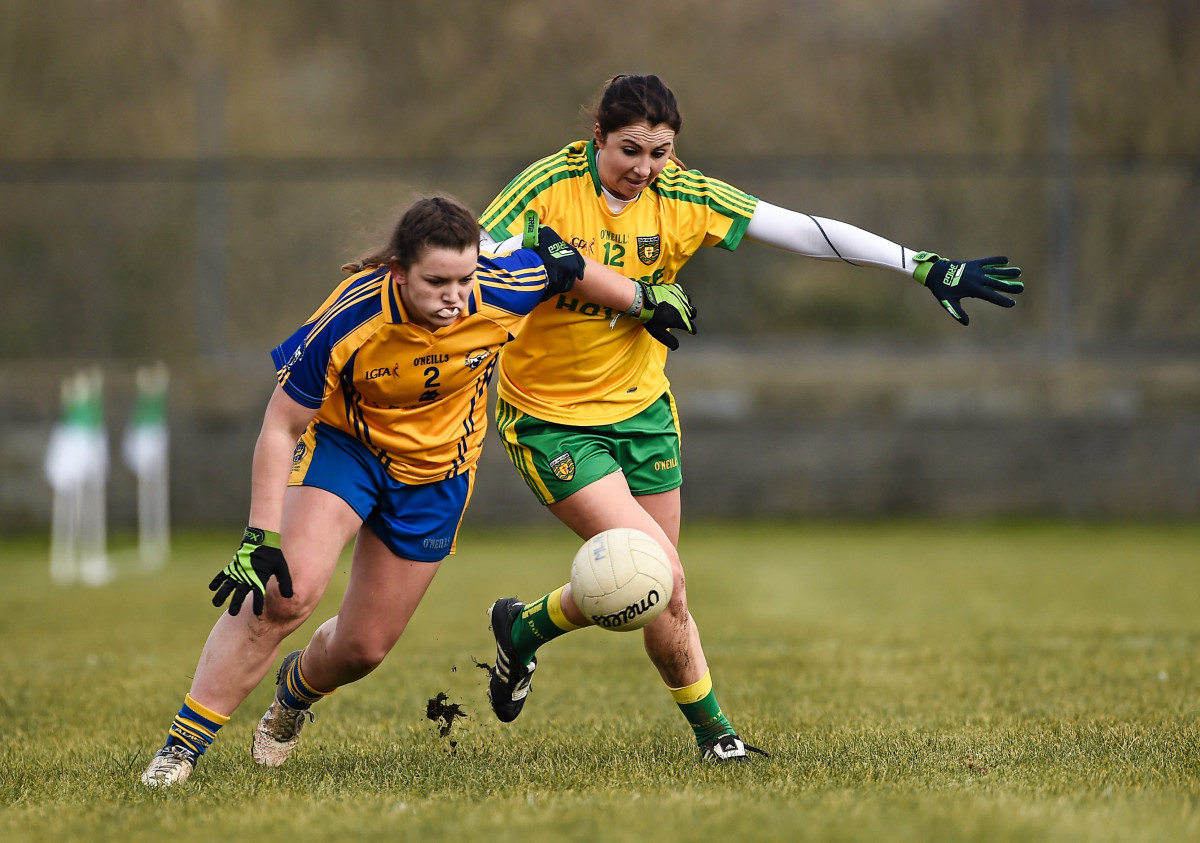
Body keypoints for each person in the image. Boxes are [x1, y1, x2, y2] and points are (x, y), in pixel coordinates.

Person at [477, 74, 1023, 763]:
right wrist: (550, 256)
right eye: (630, 150)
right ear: (597, 138)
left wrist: (921, 266)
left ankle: (525, 630)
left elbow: (803, 231)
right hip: (551, 419)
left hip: (643, 412)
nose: (645, 167)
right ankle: (717, 735)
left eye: (660, 150)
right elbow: (472, 250)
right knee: (660, 576)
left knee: (661, 584)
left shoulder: (683, 193)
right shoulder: (548, 185)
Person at [139, 195, 689, 787]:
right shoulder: (351, 318)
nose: (454, 296)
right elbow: (280, 426)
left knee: (363, 649)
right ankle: (179, 751)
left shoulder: (505, 285)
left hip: (435, 474)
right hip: (348, 450)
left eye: (464, 278)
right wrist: (258, 536)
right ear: (398, 271)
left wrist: (642, 299)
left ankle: (294, 692)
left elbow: (567, 266)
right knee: (285, 594)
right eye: (435, 282)